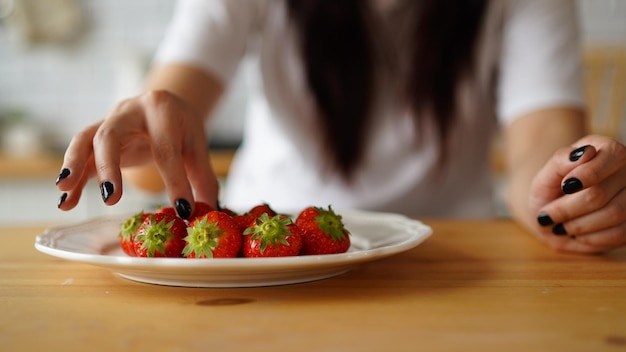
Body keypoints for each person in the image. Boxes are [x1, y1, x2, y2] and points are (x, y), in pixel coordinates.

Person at [55, 0, 626, 253]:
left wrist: (568, 192)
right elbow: (174, 107)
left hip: (448, 260)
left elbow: (541, 151)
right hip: (267, 263)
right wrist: (153, 130)